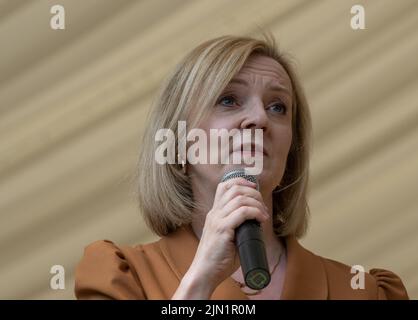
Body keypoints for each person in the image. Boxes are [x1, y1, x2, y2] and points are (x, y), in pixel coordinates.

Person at [74, 34, 409, 300]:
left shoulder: (362, 292)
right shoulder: (121, 278)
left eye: (278, 107)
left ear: (290, 150)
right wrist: (200, 280)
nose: (260, 118)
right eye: (229, 100)